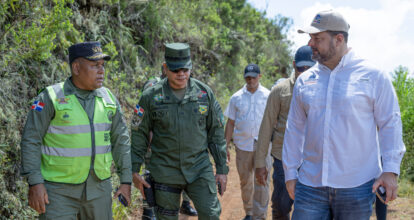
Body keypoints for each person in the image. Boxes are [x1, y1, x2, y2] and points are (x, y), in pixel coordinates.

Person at [282, 10, 406, 219]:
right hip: (310, 184)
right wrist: (290, 173)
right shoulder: (305, 81)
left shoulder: (373, 76)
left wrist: (390, 170)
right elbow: (294, 128)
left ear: (338, 39)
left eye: (317, 39)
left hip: (357, 186)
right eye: (310, 38)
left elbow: (390, 123)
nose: (310, 44)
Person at [20, 42, 132, 219]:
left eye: (102, 65)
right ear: (76, 68)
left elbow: (121, 141)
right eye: (95, 65)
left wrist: (126, 181)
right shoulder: (50, 97)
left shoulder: (108, 98)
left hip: (99, 190)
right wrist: (35, 183)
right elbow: (30, 140)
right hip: (58, 193)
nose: (101, 70)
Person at [131, 43, 228, 220]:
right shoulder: (149, 97)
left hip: (199, 169)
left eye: (185, 69)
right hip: (165, 172)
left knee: (211, 214)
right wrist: (134, 169)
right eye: (176, 70)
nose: (181, 74)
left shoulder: (204, 94)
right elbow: (139, 134)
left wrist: (222, 169)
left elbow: (216, 132)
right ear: (165, 68)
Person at [255, 45, 315, 220]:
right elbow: (266, 127)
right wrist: (260, 163)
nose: (304, 72)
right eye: (300, 68)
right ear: (294, 65)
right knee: (281, 206)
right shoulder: (280, 91)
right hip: (283, 158)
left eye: (309, 68)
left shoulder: (324, 89)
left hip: (313, 161)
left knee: (310, 209)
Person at [139, 66, 198, 220]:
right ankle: (148, 210)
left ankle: (185, 204)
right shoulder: (153, 86)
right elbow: (146, 117)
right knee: (150, 175)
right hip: (155, 144)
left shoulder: (183, 87)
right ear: (165, 69)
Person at [224, 64, 270, 220]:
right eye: (248, 77)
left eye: (253, 77)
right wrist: (225, 146)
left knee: (262, 181)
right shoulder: (236, 97)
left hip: (263, 145)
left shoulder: (268, 95)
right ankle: (249, 212)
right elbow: (230, 123)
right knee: (245, 181)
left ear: (260, 76)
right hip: (243, 145)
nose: (250, 80)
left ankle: (260, 215)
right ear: (244, 78)